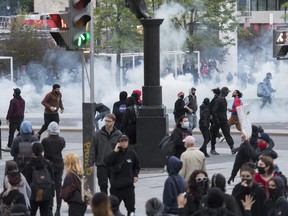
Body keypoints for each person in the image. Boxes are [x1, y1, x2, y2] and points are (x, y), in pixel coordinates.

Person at [104, 135, 140, 216]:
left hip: (128, 187)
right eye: (122, 141)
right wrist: (115, 151)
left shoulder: (132, 153)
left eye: (125, 141)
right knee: (112, 209)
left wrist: (135, 175)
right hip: (116, 187)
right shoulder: (114, 153)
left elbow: (136, 166)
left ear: (128, 142)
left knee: (131, 209)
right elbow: (106, 162)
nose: (124, 143)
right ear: (119, 142)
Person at [88, 113, 122, 194]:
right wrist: (90, 164)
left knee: (115, 186)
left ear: (113, 122)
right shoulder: (97, 134)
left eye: (109, 121)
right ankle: (104, 204)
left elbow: (122, 151)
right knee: (103, 186)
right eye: (106, 121)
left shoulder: (118, 134)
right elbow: (92, 149)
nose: (107, 123)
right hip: (101, 164)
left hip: (114, 165)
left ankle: (113, 204)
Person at [41, 121, 65, 216]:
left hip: (48, 165)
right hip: (59, 165)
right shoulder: (61, 140)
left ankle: (50, 207)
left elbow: (42, 150)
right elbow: (62, 147)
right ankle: (58, 209)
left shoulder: (45, 141)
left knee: (49, 187)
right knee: (58, 187)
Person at [25, 141, 55, 216]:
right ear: (42, 150)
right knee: (45, 213)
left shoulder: (28, 165)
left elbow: (27, 181)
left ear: (32, 151)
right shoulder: (48, 163)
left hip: (33, 193)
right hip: (46, 193)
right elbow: (52, 179)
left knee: (32, 213)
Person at [210, 87, 237, 155]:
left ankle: (232, 148)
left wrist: (225, 118)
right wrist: (216, 121)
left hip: (224, 120)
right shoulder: (218, 100)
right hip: (217, 121)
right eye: (227, 92)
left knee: (227, 134)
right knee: (214, 135)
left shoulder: (224, 99)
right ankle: (212, 149)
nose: (228, 93)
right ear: (224, 92)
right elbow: (214, 111)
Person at [3, 88, 25, 152]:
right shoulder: (23, 101)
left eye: (14, 92)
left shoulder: (13, 100)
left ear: (15, 93)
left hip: (13, 120)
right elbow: (23, 110)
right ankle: (21, 144)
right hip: (20, 119)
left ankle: (9, 146)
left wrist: (7, 118)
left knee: (11, 133)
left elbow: (10, 110)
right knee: (21, 133)